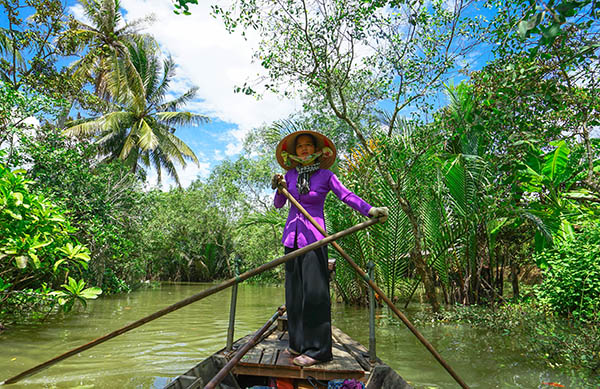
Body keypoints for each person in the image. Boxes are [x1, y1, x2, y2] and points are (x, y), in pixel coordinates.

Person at [271, 130, 388, 367]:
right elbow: (278, 204)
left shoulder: (325, 176)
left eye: (308, 145)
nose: (304, 149)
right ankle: (297, 343)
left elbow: (346, 195)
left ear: (316, 151)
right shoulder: (289, 175)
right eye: (300, 146)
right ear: (294, 152)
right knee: (294, 295)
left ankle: (317, 351)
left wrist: (370, 210)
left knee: (315, 296)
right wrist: (278, 187)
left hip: (315, 239)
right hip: (290, 241)